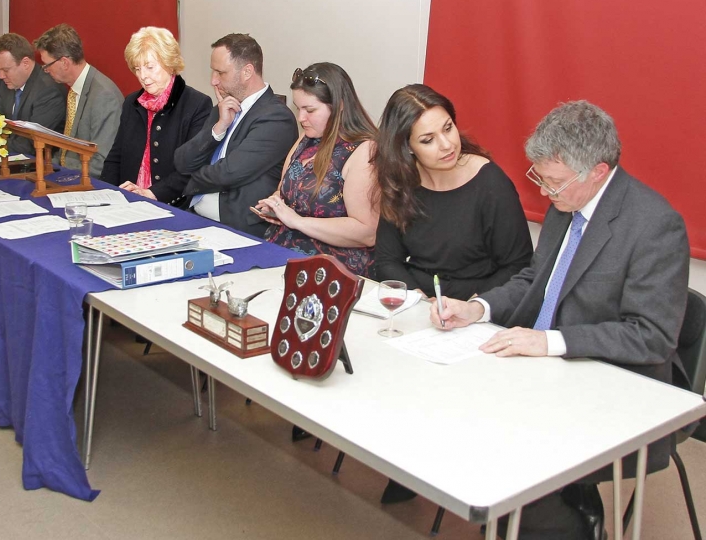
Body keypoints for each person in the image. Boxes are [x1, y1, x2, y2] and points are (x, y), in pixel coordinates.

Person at [432, 101, 690, 540]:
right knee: (457, 411)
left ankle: (571, 518)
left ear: (598, 171)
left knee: (515, 449)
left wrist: (549, 342)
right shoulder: (567, 201)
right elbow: (537, 279)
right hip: (546, 370)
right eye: (540, 177)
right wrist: (479, 308)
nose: (544, 191)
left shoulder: (655, 226)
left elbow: (651, 337)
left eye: (553, 181)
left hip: (615, 382)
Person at [373, 84, 532, 299]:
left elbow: (517, 266)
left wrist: (473, 306)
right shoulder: (402, 180)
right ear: (407, 147)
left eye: (448, 128)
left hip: (476, 302)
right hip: (420, 299)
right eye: (428, 140)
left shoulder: (491, 184)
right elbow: (387, 260)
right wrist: (418, 299)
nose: (447, 145)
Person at [256, 63, 378, 277]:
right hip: (282, 252)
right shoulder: (308, 138)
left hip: (332, 266)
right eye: (298, 108)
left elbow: (366, 232)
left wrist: (298, 222)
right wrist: (275, 205)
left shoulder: (363, 151)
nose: (301, 118)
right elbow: (284, 190)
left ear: (339, 106)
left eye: (310, 110)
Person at [174, 33, 298, 237]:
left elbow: (228, 173)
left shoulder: (276, 118)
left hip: (237, 229)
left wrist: (191, 177)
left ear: (247, 71)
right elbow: (181, 161)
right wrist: (219, 128)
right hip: (196, 217)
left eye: (220, 73)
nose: (213, 81)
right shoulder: (223, 108)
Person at [102, 27, 212, 203]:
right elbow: (116, 158)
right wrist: (106, 195)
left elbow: (191, 169)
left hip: (171, 204)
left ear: (169, 63)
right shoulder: (132, 102)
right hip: (126, 201)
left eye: (150, 67)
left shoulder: (197, 104)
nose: (143, 76)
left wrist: (152, 193)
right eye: (137, 69)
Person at [35, 24, 123, 179]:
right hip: (73, 175)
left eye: (47, 65)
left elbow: (101, 163)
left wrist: (60, 173)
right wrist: (47, 168)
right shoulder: (75, 90)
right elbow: (66, 151)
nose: (46, 70)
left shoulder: (104, 96)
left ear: (64, 63)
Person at [0, 33, 66, 156]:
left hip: (39, 164)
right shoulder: (7, 84)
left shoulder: (49, 91)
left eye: (5, 70)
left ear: (25, 63)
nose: (1, 76)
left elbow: (30, 144)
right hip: (9, 156)